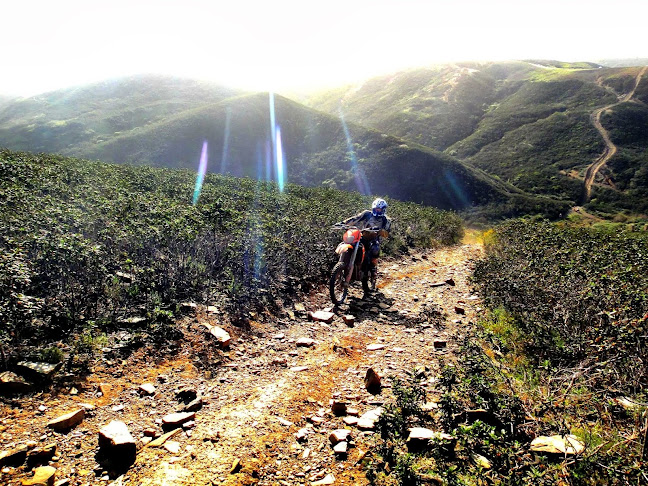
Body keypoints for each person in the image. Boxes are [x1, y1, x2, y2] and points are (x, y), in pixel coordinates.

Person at [340, 198, 392, 290]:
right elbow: (355, 218)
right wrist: (343, 223)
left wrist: (380, 231)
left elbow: (386, 232)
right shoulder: (367, 214)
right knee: (351, 246)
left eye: (379, 209)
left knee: (373, 250)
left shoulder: (386, 219)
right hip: (362, 236)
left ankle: (372, 271)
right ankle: (347, 268)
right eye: (376, 209)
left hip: (374, 239)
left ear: (383, 210)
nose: (377, 211)